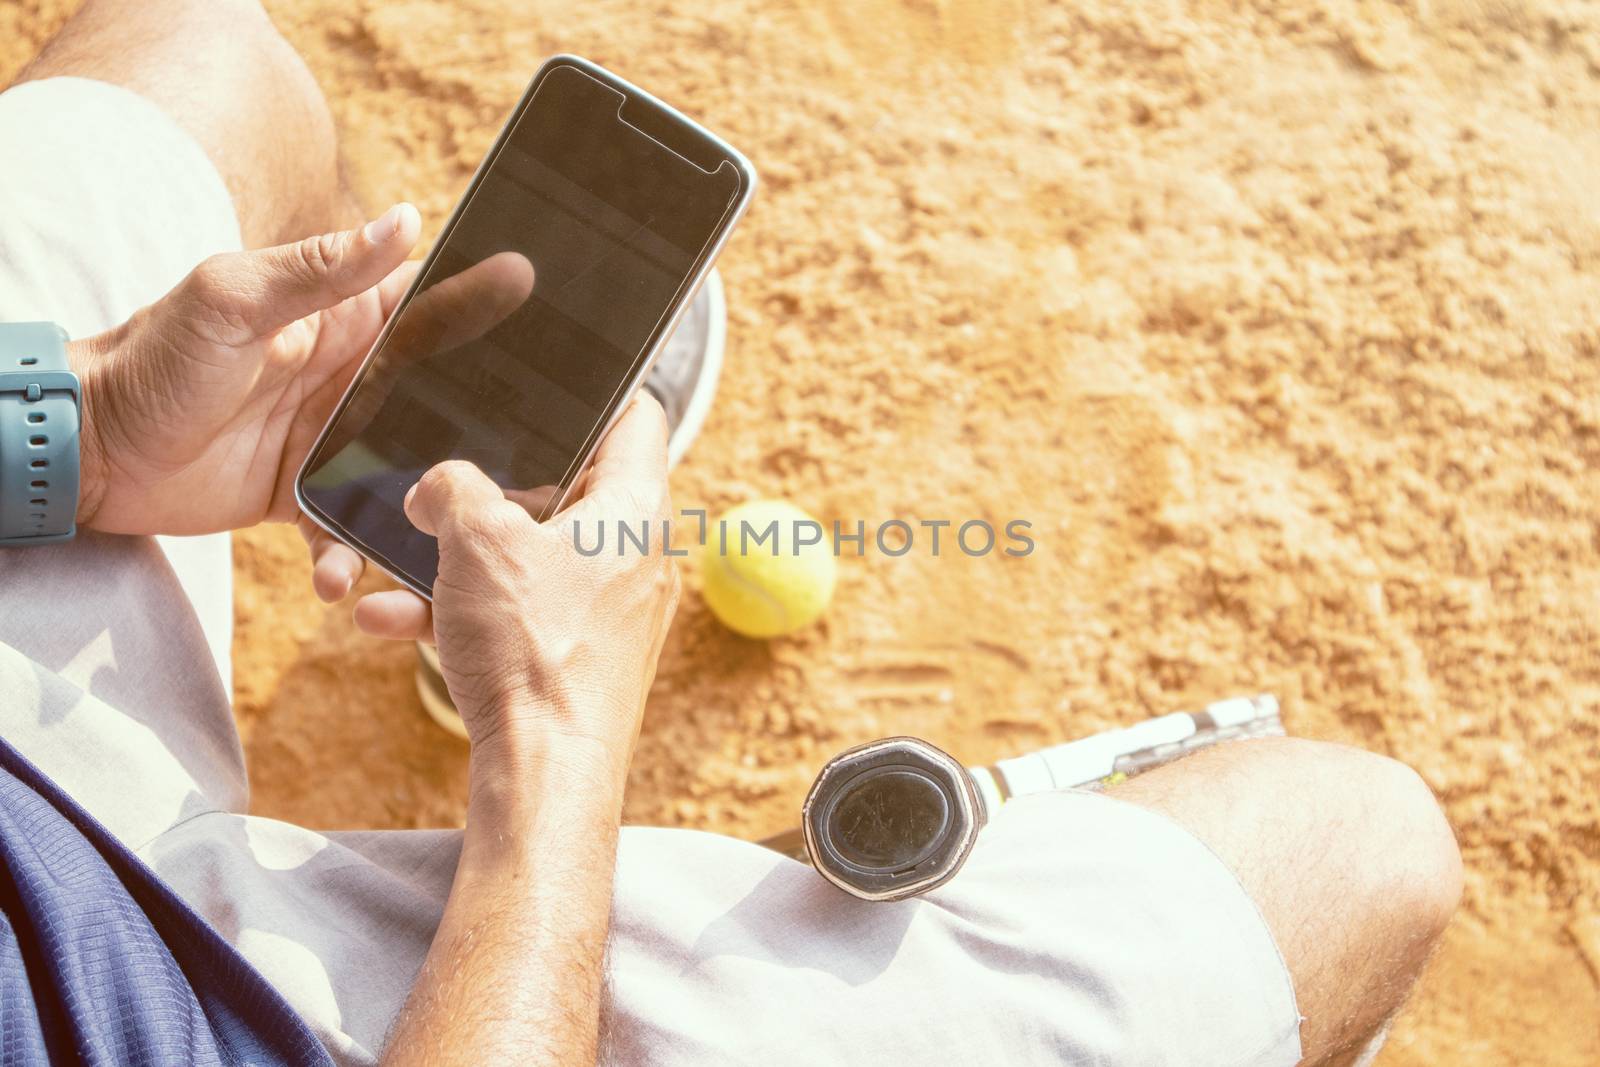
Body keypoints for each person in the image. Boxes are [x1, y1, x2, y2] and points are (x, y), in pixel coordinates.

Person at [0, 2, 1463, 1065]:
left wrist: (79, 422)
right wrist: (559, 745)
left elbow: (82, 398)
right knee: (1357, 847)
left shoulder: (84, 423)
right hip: (223, 1027)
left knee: (202, 58)